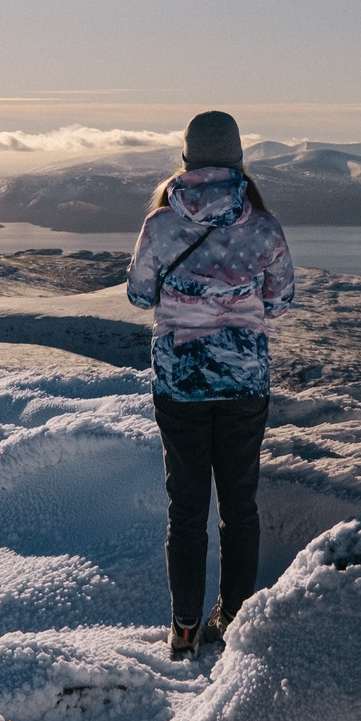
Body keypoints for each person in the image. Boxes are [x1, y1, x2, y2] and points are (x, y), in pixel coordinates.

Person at [127, 110, 295, 657]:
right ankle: (236, 621)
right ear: (239, 161)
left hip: (181, 384)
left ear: (186, 159)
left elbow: (138, 295)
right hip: (245, 383)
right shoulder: (263, 226)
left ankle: (183, 628)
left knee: (187, 508)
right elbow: (280, 301)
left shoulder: (160, 225)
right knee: (239, 506)